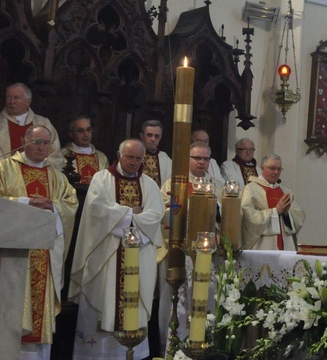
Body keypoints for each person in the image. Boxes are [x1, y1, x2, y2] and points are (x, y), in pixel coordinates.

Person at [68, 139, 163, 360]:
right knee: (102, 299)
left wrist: (123, 215)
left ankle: (130, 354)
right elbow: (96, 209)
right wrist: (131, 213)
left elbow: (155, 215)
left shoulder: (149, 184)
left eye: (139, 158)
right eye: (130, 157)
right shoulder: (102, 179)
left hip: (136, 257)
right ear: (119, 155)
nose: (134, 162)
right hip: (107, 257)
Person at [0, 125, 78, 360]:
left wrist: (53, 206)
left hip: (43, 257)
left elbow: (71, 204)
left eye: (46, 143)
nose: (42, 147)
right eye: (36, 142)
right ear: (24, 141)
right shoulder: (5, 168)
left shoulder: (56, 175)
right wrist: (25, 202)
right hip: (11, 258)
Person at [157, 142, 222, 351]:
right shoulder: (174, 184)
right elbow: (164, 216)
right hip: (180, 253)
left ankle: (206, 345)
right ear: (188, 159)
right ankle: (172, 347)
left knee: (208, 299)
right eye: (197, 158)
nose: (202, 163)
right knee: (174, 301)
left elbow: (228, 217)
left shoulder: (217, 186)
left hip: (210, 254)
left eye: (205, 159)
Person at [240, 154, 305, 250]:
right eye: (272, 168)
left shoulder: (286, 192)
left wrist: (287, 214)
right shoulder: (251, 189)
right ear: (262, 168)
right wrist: (275, 211)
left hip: (286, 244)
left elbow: (299, 216)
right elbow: (248, 216)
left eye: (279, 169)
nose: (276, 172)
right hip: (262, 245)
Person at [1, 83, 62, 169]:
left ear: (28, 101)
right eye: (8, 97)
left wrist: (36, 167)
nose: (11, 101)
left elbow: (55, 156)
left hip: (39, 174)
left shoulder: (43, 123)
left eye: (16, 97)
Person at [62, 115, 109, 184]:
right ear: (71, 134)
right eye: (81, 131)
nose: (86, 134)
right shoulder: (62, 155)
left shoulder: (101, 157)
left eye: (88, 130)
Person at [139, 119, 172, 187]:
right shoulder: (133, 155)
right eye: (149, 135)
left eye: (156, 136)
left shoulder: (165, 159)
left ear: (160, 137)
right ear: (141, 136)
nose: (153, 139)